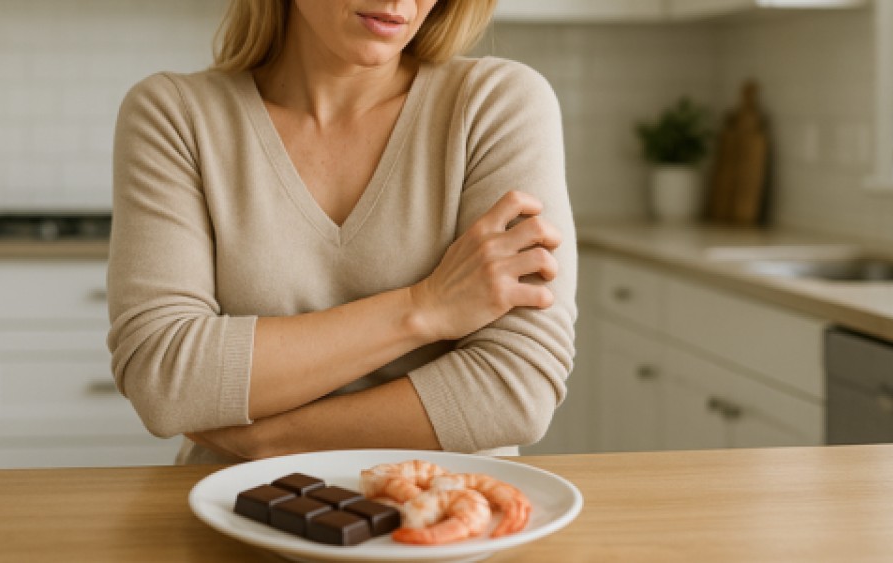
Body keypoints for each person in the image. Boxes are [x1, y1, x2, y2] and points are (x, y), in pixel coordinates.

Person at [107, 0, 577, 464]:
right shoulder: (176, 115)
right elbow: (164, 377)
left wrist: (269, 442)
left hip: (451, 523)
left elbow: (516, 388)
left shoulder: (495, 104)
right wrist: (424, 308)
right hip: (232, 519)